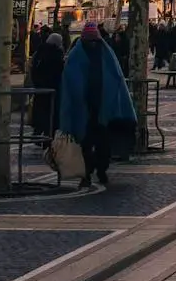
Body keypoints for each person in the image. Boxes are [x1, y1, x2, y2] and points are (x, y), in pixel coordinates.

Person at [58, 22, 137, 188]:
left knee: (102, 144)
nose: (93, 44)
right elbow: (70, 81)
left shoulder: (105, 54)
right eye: (90, 40)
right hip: (85, 108)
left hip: (102, 108)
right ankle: (87, 172)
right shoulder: (78, 55)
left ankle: (100, 169)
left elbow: (116, 79)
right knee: (85, 143)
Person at [28, 31, 65, 138]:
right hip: (52, 88)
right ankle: (47, 135)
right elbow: (58, 70)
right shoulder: (56, 53)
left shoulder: (39, 51)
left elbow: (34, 68)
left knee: (40, 109)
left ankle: (38, 131)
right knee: (50, 112)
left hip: (39, 87)